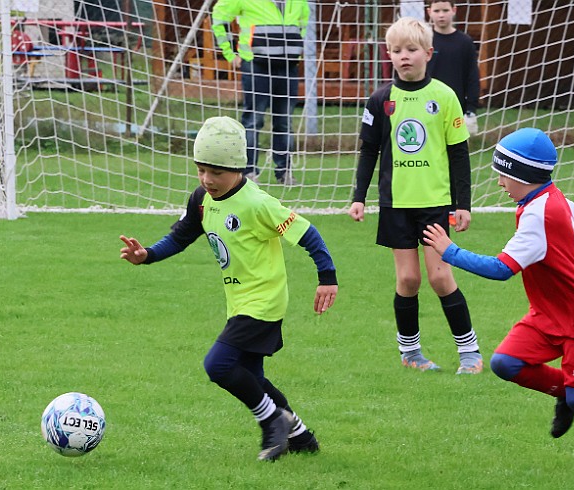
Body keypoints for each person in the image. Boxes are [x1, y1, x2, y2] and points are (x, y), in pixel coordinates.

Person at [422, 128, 574, 479]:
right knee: (505, 363)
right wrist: (571, 263)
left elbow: (501, 269)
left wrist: (449, 251)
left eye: (503, 174)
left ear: (522, 175)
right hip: (550, 312)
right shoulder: (549, 198)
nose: (500, 182)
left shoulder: (538, 217)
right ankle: (565, 392)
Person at [119, 116, 338, 461]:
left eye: (217, 172)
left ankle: (271, 422)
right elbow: (181, 236)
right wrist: (147, 254)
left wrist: (327, 278)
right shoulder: (202, 199)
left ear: (238, 168)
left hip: (264, 301)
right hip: (238, 302)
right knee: (251, 376)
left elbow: (308, 234)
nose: (208, 179)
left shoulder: (257, 203)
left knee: (217, 365)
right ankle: (300, 436)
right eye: (201, 170)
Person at [348, 17, 483, 375]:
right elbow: (368, 151)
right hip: (396, 205)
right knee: (408, 280)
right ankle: (411, 353)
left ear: (428, 52)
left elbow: (458, 155)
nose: (403, 56)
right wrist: (358, 196)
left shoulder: (443, 96)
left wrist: (462, 204)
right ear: (388, 54)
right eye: (396, 51)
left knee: (441, 278)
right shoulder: (380, 100)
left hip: (435, 204)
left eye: (411, 50)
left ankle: (470, 353)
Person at [211, 0, 309, 185]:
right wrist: (230, 53)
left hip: (288, 66)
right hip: (256, 64)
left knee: (284, 121)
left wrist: (295, 49)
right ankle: (248, 172)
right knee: (253, 120)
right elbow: (219, 18)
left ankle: (284, 172)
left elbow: (302, 24)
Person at [426, 1, 480, 135]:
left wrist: (471, 110)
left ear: (454, 10)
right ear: (429, 12)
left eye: (445, 10)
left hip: (456, 106)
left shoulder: (465, 42)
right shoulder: (425, 40)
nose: (441, 15)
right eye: (437, 11)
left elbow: (472, 76)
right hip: (427, 104)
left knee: (456, 151)